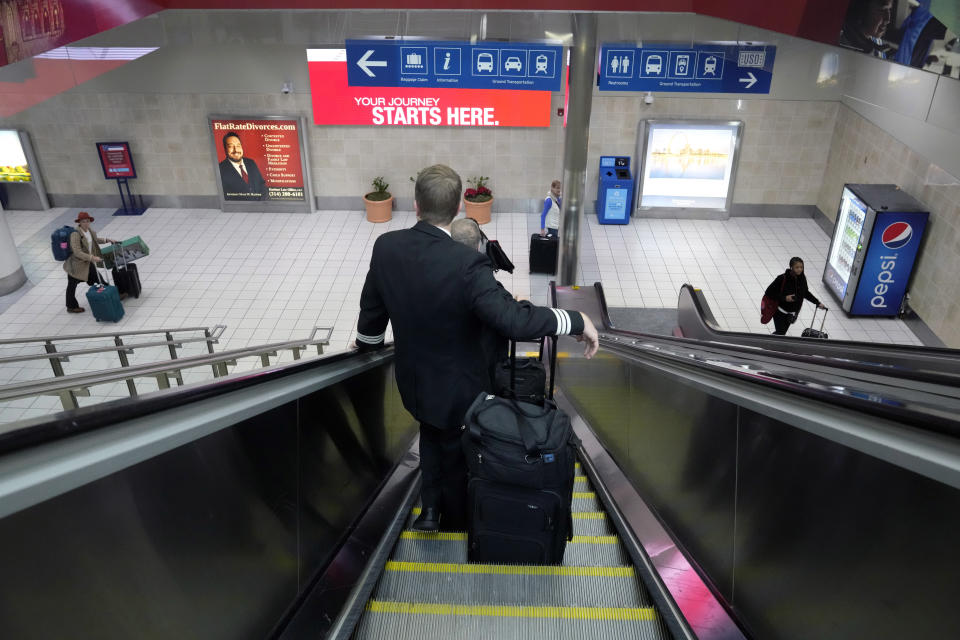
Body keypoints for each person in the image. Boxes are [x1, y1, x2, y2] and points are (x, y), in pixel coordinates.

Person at [355, 164, 599, 532]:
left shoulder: (386, 247)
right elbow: (515, 321)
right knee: (456, 445)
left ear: (417, 206)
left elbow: (371, 318)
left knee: (431, 431)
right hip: (461, 388)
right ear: (457, 210)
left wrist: (366, 348)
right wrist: (576, 321)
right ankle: (456, 518)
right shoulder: (468, 264)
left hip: (415, 382)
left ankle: (431, 509)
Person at [62, 211, 123, 313]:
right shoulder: (75, 234)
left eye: (87, 221)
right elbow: (77, 252)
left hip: (86, 263)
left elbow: (94, 240)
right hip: (76, 266)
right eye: (83, 221)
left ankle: (112, 295)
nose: (86, 223)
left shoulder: (88, 231)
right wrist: (92, 258)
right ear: (79, 222)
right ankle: (71, 306)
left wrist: (107, 240)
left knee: (99, 279)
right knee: (72, 286)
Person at [764, 257, 827, 336]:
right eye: (797, 267)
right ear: (791, 267)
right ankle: (769, 344)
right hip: (780, 311)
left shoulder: (802, 278)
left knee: (781, 333)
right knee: (781, 332)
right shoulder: (782, 278)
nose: (799, 269)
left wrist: (817, 302)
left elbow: (805, 293)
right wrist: (785, 298)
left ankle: (771, 343)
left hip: (792, 313)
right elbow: (769, 292)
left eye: (801, 267)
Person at [218, 131, 266, 201]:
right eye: (231, 146)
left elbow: (261, 184)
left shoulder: (251, 163)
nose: (236, 150)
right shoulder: (220, 169)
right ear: (225, 149)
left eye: (238, 145)